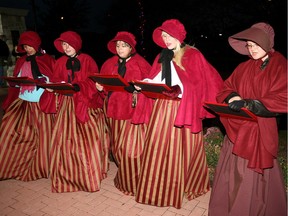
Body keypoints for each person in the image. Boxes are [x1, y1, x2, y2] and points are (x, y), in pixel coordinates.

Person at [135, 19, 223, 209]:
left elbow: (199, 83)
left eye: (169, 35)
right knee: (157, 145)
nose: (166, 39)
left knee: (180, 148)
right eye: (164, 36)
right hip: (162, 108)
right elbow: (155, 77)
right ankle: (156, 186)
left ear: (179, 35)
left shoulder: (192, 55)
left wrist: (180, 91)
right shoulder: (162, 55)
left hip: (183, 108)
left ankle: (180, 186)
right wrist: (144, 83)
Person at [208, 23, 287, 216]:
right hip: (237, 130)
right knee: (232, 175)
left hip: (259, 131)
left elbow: (283, 97)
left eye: (256, 44)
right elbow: (227, 86)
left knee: (252, 178)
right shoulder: (244, 66)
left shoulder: (280, 65)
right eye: (249, 45)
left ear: (267, 42)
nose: (251, 49)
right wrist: (233, 97)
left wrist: (250, 104)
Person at [46, 31, 108, 192]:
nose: (66, 48)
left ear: (76, 44)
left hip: (84, 103)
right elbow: (55, 80)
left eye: (69, 44)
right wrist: (53, 88)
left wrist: (80, 86)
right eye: (64, 45)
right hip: (66, 104)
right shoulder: (59, 62)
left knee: (88, 140)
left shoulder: (88, 60)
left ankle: (89, 177)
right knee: (63, 141)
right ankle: (67, 177)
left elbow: (94, 80)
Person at [96, 31, 153, 195]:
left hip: (132, 112)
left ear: (131, 48)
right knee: (117, 148)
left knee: (131, 150)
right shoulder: (108, 63)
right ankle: (126, 177)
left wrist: (137, 89)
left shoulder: (141, 63)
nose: (120, 49)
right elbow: (104, 88)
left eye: (124, 46)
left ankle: (137, 182)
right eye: (118, 46)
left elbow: (149, 87)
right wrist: (101, 88)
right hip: (113, 111)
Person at [0, 31, 55, 181]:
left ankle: (42, 166)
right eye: (25, 45)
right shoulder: (21, 60)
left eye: (30, 45)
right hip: (23, 101)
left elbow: (53, 77)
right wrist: (15, 81)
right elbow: (17, 79)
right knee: (10, 128)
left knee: (43, 136)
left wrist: (45, 81)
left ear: (37, 44)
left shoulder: (47, 59)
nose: (28, 48)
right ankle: (17, 165)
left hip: (40, 102)